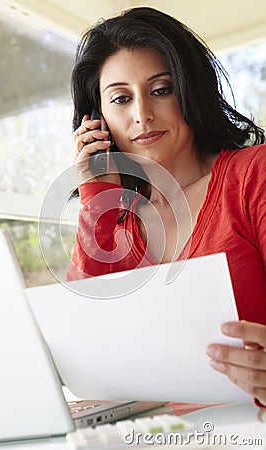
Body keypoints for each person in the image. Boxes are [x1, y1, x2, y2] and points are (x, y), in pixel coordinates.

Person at [66, 7, 266, 405]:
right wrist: (97, 201)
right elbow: (85, 351)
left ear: (190, 91)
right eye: (121, 99)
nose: (141, 114)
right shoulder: (113, 223)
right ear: (98, 120)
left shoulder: (252, 175)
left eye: (160, 89)